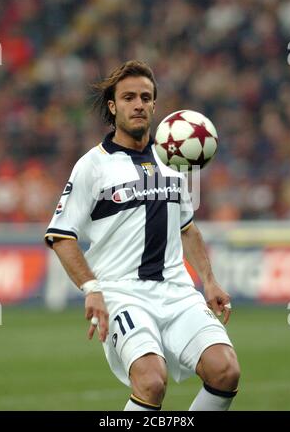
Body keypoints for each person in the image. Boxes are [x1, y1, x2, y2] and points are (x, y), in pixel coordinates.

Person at [45, 60, 240, 411]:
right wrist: (92, 289)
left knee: (225, 371)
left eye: (146, 97)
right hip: (122, 293)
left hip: (178, 291)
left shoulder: (174, 160)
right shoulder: (93, 165)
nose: (138, 104)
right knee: (151, 382)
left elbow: (187, 227)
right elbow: (62, 235)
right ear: (113, 106)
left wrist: (209, 281)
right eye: (129, 97)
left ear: (153, 105)